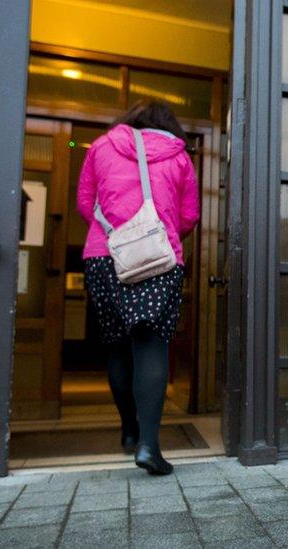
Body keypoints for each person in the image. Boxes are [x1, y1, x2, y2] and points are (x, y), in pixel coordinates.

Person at [76, 100, 199, 475]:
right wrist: (150, 238)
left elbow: (85, 203)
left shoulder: (101, 147)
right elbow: (189, 216)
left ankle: (129, 429)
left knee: (117, 345)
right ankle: (149, 446)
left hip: (103, 255)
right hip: (156, 260)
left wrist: (119, 233)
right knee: (151, 346)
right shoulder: (179, 157)